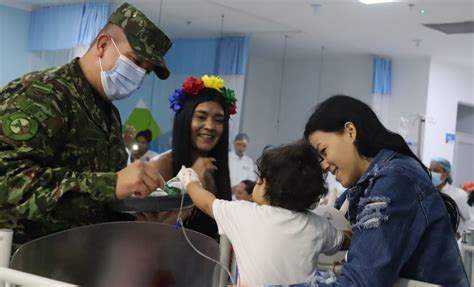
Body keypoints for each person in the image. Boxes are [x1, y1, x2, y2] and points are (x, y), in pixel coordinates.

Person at [0, 2, 171, 245]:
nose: (139, 74)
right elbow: (7, 184)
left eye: (147, 70)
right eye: (135, 61)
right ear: (103, 45)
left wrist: (135, 217)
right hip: (23, 262)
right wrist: (110, 184)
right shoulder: (42, 94)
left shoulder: (108, 114)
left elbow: (93, 204)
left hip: (80, 261)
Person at [304, 95, 468, 286]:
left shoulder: (395, 181)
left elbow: (362, 281)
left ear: (350, 131)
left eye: (324, 151)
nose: (323, 165)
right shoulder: (362, 189)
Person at [177, 140, 351, 286]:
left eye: (259, 180)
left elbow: (206, 202)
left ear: (270, 189)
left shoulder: (244, 214)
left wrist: (190, 179)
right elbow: (346, 240)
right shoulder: (317, 226)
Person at [149, 75, 236, 238]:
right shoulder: (160, 165)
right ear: (185, 119)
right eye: (201, 117)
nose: (210, 126)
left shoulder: (216, 167)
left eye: (218, 120)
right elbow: (153, 232)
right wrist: (190, 182)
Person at [430, 157, 470, 237]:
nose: (431, 173)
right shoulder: (426, 193)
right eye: (430, 170)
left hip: (451, 243)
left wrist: (459, 235)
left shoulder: (459, 195)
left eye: (436, 171)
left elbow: (470, 219)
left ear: (446, 174)